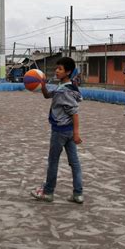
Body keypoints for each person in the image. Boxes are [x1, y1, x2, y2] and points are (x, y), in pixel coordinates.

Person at [30, 57, 84, 204]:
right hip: (69, 132)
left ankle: (48, 192)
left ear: (68, 71)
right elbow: (48, 95)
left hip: (60, 131)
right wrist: (42, 86)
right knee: (75, 163)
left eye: (60, 69)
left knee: (53, 161)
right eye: (56, 68)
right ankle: (78, 194)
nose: (56, 71)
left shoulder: (63, 91)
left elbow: (75, 113)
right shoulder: (67, 87)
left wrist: (77, 133)